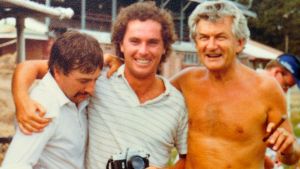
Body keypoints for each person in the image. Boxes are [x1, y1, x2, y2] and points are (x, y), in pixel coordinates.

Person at [10, 2, 188, 169]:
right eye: (134, 41)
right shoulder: (98, 77)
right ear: (121, 45)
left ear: (165, 47)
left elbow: (187, 158)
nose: (143, 50)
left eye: (153, 42)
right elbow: (31, 66)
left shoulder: (177, 103)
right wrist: (22, 99)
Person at [169, 0, 300, 169]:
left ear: (239, 43)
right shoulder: (184, 82)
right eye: (204, 37)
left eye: (220, 37)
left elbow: (290, 157)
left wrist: (288, 149)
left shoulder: (266, 89)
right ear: (196, 43)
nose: (211, 46)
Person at [1, 30, 103, 169]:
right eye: (83, 81)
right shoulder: (44, 107)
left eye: (95, 79)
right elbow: (14, 165)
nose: (91, 89)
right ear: (57, 71)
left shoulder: (73, 95)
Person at [262, 53, 300, 169]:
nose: (286, 92)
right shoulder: (244, 90)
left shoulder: (275, 100)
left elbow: (292, 151)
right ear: (276, 73)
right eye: (286, 86)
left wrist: (287, 151)